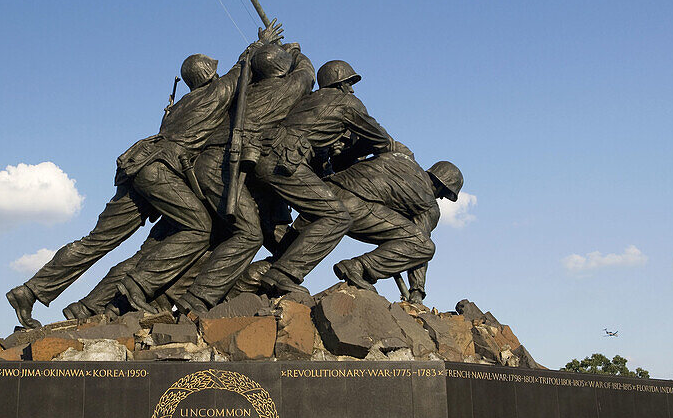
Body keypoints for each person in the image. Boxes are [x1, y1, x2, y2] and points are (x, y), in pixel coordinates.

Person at [5, 24, 281, 328]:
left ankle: (31, 290)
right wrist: (260, 44)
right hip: (160, 170)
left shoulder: (181, 106)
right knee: (200, 228)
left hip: (136, 164)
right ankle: (139, 285)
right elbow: (240, 72)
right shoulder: (215, 93)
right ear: (210, 75)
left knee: (97, 241)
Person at [173, 42, 315, 312]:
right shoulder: (286, 89)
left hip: (212, 164)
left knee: (246, 232)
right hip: (221, 165)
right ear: (282, 69)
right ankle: (196, 301)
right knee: (249, 234)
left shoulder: (243, 94)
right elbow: (307, 74)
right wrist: (296, 52)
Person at [249, 60, 394, 293]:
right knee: (337, 217)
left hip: (265, 156)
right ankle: (282, 274)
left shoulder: (308, 100)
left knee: (277, 231)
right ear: (340, 84)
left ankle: (246, 283)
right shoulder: (347, 102)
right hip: (285, 159)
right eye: (350, 83)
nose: (353, 89)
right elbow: (380, 140)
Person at [314, 155, 463, 304]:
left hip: (324, 190)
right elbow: (419, 244)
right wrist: (417, 291)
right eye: (445, 194)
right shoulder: (428, 203)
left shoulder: (402, 159)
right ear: (441, 186)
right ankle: (358, 267)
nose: (442, 198)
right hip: (353, 206)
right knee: (425, 246)